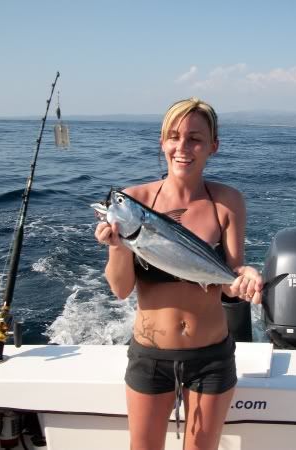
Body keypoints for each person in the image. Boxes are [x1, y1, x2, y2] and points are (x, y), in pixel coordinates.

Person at [94, 97, 263, 450]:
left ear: (213, 146)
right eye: (174, 136)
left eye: (195, 138)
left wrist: (245, 277)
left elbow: (230, 283)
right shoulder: (133, 199)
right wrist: (117, 245)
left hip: (211, 358)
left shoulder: (228, 202)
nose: (183, 147)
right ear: (162, 141)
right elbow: (122, 289)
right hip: (150, 355)